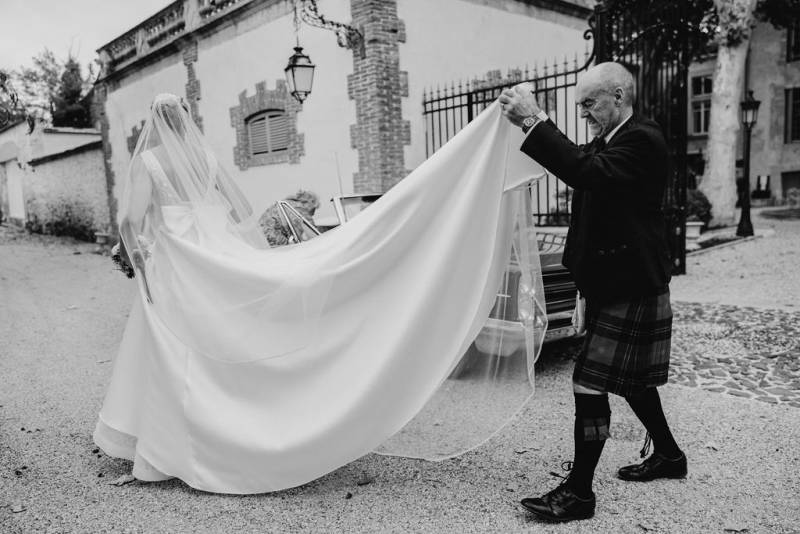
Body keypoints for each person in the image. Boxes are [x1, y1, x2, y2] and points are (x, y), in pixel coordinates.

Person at [499, 62, 686, 522]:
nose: (583, 111)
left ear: (619, 95)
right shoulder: (613, 137)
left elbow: (583, 171)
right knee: (635, 381)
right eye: (580, 104)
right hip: (614, 279)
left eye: (589, 102)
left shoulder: (642, 139)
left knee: (588, 382)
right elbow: (579, 169)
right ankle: (669, 455)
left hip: (632, 281)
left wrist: (533, 121)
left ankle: (580, 493)